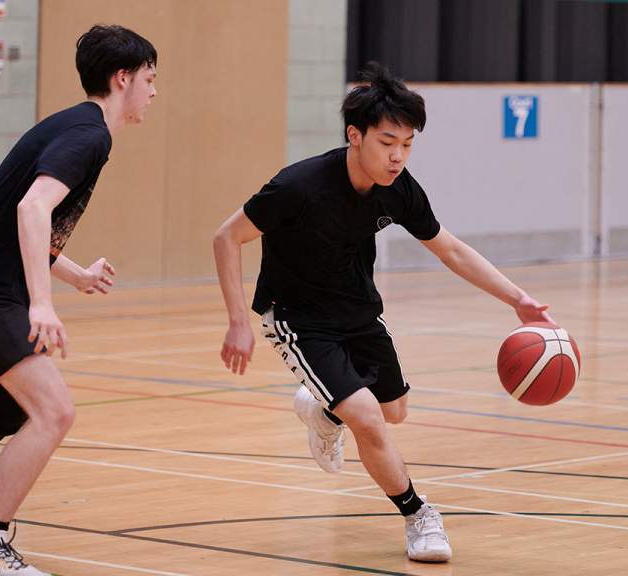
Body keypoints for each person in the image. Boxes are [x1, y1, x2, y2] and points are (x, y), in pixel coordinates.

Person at [212, 62, 554, 563]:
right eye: (387, 142)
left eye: (408, 145)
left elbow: (451, 250)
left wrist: (517, 299)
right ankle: (420, 518)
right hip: (298, 317)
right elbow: (227, 236)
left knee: (394, 412)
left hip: (358, 311)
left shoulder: (400, 189)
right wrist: (239, 319)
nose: (398, 156)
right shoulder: (299, 186)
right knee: (370, 420)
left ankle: (322, 408)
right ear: (355, 135)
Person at [0, 24, 157, 576]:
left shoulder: (80, 127)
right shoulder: (89, 135)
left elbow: (22, 222)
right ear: (123, 78)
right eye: (150, 79)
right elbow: (31, 211)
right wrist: (42, 303)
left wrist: (74, 275)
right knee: (54, 411)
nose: (154, 92)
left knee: (18, 405)